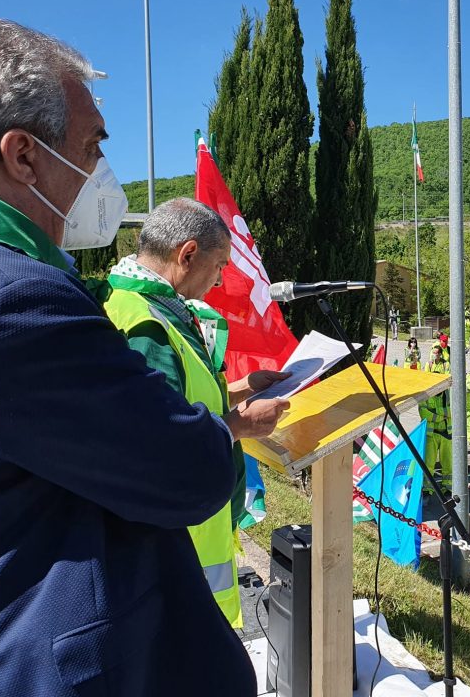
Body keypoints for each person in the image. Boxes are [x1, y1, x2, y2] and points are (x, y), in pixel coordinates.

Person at [0, 19, 283, 695]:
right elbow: (183, 471)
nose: (99, 172)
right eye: (92, 145)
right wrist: (222, 429)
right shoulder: (7, 300)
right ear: (23, 156)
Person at [104, 199, 292, 628]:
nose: (220, 278)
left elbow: (182, 397)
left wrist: (243, 387)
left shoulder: (141, 304)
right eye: (219, 264)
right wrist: (240, 425)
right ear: (187, 254)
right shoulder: (148, 327)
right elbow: (161, 443)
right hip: (179, 549)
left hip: (184, 539)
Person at [421, 345, 453, 492]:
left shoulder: (448, 394)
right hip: (431, 434)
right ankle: (428, 489)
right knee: (429, 464)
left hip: (446, 434)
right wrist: (442, 415)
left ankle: (448, 487)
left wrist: (435, 413)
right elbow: (423, 412)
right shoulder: (425, 395)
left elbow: (452, 411)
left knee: (448, 464)